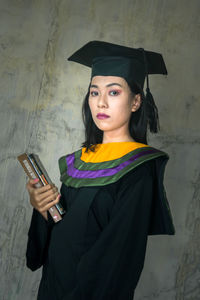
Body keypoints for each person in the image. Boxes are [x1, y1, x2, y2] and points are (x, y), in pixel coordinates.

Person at [26, 41, 175, 300]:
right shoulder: (79, 162)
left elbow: (118, 261)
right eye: (94, 93)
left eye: (114, 92)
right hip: (51, 289)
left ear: (136, 101)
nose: (101, 103)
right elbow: (59, 234)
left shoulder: (138, 168)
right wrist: (42, 209)